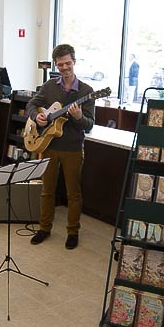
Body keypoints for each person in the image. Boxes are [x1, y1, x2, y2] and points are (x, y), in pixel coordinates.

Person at [27, 44, 95, 249]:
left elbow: (89, 125)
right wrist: (36, 116)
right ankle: (44, 228)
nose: (65, 67)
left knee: (73, 193)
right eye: (60, 64)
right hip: (48, 145)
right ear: (56, 64)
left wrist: (79, 116)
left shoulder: (87, 91)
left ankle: (73, 231)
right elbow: (31, 104)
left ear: (74, 62)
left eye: (68, 63)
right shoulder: (49, 86)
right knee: (47, 191)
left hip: (73, 149)